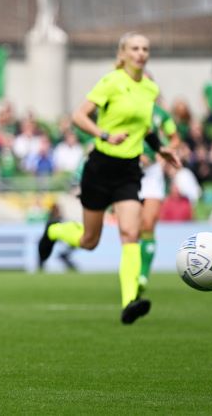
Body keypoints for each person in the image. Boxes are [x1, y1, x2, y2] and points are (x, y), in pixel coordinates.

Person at [37, 32, 179, 324]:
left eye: (145, 49)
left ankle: (129, 303)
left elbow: (146, 129)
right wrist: (104, 134)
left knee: (131, 233)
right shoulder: (111, 82)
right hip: (100, 167)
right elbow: (79, 116)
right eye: (135, 48)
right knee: (90, 240)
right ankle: (53, 231)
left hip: (129, 171)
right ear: (123, 53)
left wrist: (161, 150)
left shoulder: (150, 89)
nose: (141, 53)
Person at [138, 101, 179, 291]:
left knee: (148, 224)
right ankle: (133, 271)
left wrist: (161, 155)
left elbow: (174, 138)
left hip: (152, 173)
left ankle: (143, 275)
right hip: (128, 169)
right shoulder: (126, 107)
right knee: (131, 228)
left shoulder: (161, 114)